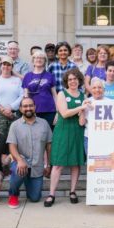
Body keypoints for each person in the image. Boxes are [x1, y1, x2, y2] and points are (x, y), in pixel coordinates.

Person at [44, 68, 89, 207]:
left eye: (75, 79)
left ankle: (73, 191)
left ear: (79, 80)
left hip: (77, 131)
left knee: (76, 164)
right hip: (63, 131)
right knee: (58, 164)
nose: (73, 81)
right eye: (70, 79)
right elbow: (64, 113)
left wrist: (82, 111)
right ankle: (52, 194)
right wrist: (80, 108)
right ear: (66, 81)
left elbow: (82, 121)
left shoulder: (84, 96)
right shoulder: (61, 94)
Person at [7, 97, 52, 208]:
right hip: (20, 162)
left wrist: (48, 164)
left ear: (35, 107)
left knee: (35, 198)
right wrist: (20, 160)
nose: (28, 108)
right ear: (21, 109)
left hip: (37, 165)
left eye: (31, 105)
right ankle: (13, 194)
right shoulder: (15, 125)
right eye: (25, 106)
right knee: (18, 170)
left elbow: (49, 146)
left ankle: (27, 180)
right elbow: (12, 146)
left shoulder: (44, 124)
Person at [22, 50, 57, 130]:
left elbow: (55, 95)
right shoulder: (27, 76)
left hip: (49, 110)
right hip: (32, 111)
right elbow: (25, 96)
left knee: (48, 134)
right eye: (36, 58)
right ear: (33, 60)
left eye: (42, 58)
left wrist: (58, 113)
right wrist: (25, 110)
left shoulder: (50, 76)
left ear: (45, 61)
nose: (39, 59)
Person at [0, 56, 23, 137]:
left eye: (8, 65)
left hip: (14, 114)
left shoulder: (17, 80)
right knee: (0, 140)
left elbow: (22, 96)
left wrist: (10, 108)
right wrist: (3, 110)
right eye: (4, 64)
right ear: (0, 66)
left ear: (12, 67)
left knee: (14, 140)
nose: (6, 67)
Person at [84, 77, 105, 154]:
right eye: (94, 88)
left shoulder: (110, 102)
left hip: (105, 138)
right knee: (91, 164)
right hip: (89, 137)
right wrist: (82, 108)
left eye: (100, 87)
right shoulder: (87, 101)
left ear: (103, 89)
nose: (97, 90)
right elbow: (82, 123)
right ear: (91, 90)